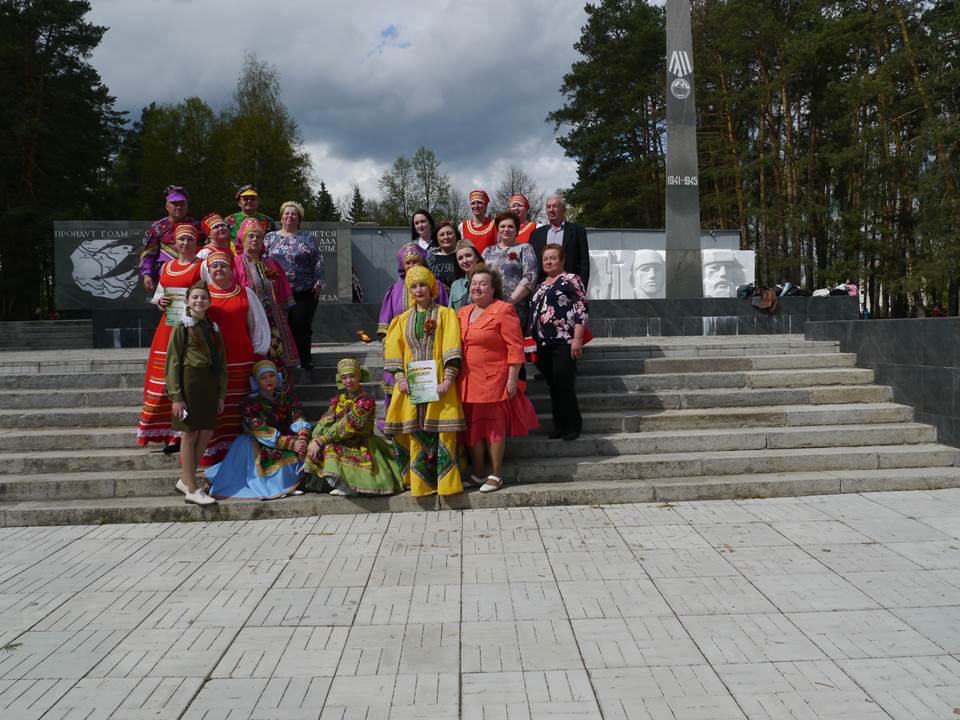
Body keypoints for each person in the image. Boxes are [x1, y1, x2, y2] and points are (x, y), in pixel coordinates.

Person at [383, 265, 466, 496]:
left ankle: (447, 484)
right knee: (415, 431)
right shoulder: (400, 320)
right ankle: (419, 484)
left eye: (422, 285)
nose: (418, 290)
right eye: (414, 286)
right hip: (411, 384)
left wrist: (448, 379)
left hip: (439, 382)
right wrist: (400, 378)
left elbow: (452, 346)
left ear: (431, 288)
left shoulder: (446, 314)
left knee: (443, 432)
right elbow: (394, 351)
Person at [457, 267, 539, 493]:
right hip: (467, 381)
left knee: (494, 428)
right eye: (474, 283)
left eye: (483, 283)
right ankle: (478, 472)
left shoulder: (503, 310)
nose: (477, 287)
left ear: (493, 289)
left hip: (494, 380)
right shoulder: (462, 312)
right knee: (472, 428)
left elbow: (515, 347)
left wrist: (512, 379)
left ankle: (496, 474)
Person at [137, 224, 204, 451]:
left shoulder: (201, 266)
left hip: (191, 331)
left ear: (196, 243)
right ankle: (167, 432)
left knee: (184, 382)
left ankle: (181, 434)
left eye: (189, 239)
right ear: (175, 242)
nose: (185, 244)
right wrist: (161, 301)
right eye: (181, 240)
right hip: (167, 329)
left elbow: (208, 296)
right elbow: (159, 295)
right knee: (164, 381)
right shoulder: (167, 266)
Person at [205, 360, 311, 499]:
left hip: (280, 437)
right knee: (282, 456)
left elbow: (296, 415)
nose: (268, 380)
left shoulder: (284, 397)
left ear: (277, 377)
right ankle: (278, 487)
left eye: (271, 375)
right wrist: (291, 444)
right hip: (257, 441)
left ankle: (289, 485)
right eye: (263, 377)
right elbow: (259, 428)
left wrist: (302, 436)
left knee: (307, 446)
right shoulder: (250, 402)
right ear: (256, 381)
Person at [204, 250, 271, 465]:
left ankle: (240, 453)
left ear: (232, 269)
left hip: (242, 357)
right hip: (214, 361)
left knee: (239, 406)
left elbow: (257, 324)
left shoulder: (245, 293)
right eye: (214, 266)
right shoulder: (202, 294)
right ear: (209, 270)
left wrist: (259, 351)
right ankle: (213, 455)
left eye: (223, 265)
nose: (219, 269)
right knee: (217, 407)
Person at [303, 358, 404, 496]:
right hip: (342, 440)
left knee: (330, 447)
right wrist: (315, 439)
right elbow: (326, 420)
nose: (348, 381)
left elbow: (347, 426)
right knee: (319, 446)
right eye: (344, 378)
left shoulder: (366, 401)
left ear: (359, 377)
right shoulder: (339, 399)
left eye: (352, 376)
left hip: (361, 443)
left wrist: (321, 440)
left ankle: (348, 486)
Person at [165, 282, 226, 506]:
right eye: (195, 298)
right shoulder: (182, 326)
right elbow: (172, 362)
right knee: (189, 434)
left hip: (208, 383)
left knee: (207, 431)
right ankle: (192, 488)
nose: (199, 301)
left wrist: (220, 393)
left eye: (203, 298)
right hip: (189, 382)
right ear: (187, 301)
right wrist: (176, 396)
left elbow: (221, 362)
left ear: (209, 302)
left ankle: (185, 479)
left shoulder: (212, 327)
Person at [529, 243, 588, 441]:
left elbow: (581, 309)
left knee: (564, 383)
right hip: (542, 343)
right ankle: (559, 425)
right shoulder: (541, 284)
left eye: (553, 258)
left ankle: (573, 425)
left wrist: (577, 339)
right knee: (553, 385)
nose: (548, 261)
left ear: (562, 260)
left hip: (564, 340)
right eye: (545, 258)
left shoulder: (571, 279)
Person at [265, 201, 326, 370]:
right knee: (280, 325)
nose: (290, 216)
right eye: (287, 213)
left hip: (304, 290)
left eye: (294, 214)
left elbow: (317, 261)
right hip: (277, 291)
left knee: (301, 324)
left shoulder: (306, 238)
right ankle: (283, 360)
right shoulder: (270, 238)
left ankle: (304, 359)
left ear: (299, 218)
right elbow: (263, 259)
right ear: (281, 217)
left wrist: (319, 282)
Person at [234, 217, 299, 373]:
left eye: (258, 236)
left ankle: (280, 392)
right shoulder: (234, 264)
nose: (255, 239)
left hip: (273, 320)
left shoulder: (271, 264)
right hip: (249, 321)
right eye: (251, 236)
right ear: (242, 239)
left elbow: (283, 291)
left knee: (277, 358)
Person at [481, 211, 538, 328]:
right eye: (502, 226)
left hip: (514, 308)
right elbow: (480, 276)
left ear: (517, 229)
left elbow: (530, 277)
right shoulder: (488, 251)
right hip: (488, 308)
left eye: (510, 226)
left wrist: (509, 303)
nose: (506, 229)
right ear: (498, 229)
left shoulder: (525, 249)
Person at [139, 185, 200, 293]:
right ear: (167, 206)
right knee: (171, 308)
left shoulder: (197, 226)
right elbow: (149, 254)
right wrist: (147, 275)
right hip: (167, 277)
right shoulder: (157, 227)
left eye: (182, 204)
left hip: (193, 276)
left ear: (187, 206)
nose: (179, 207)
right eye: (174, 204)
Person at [529, 194, 590, 288]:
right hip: (542, 287)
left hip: (569, 286)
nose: (551, 209)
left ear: (563, 210)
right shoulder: (536, 234)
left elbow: (584, 263)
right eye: (548, 207)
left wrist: (580, 286)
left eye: (555, 206)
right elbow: (532, 264)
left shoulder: (578, 232)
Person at [226, 184, 276, 252]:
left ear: (258, 201)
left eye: (253, 199)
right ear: (239, 202)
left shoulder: (268, 221)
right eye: (245, 199)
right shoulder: (229, 220)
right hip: (234, 259)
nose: (249, 201)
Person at [449, 239, 481, 311]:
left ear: (477, 257)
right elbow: (451, 312)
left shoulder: (487, 281)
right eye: (460, 258)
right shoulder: (455, 285)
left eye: (468, 255)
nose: (465, 261)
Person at [427, 220, 459, 288]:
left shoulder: (462, 256)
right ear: (436, 238)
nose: (446, 237)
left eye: (449, 233)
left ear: (456, 235)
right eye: (441, 235)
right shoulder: (430, 257)